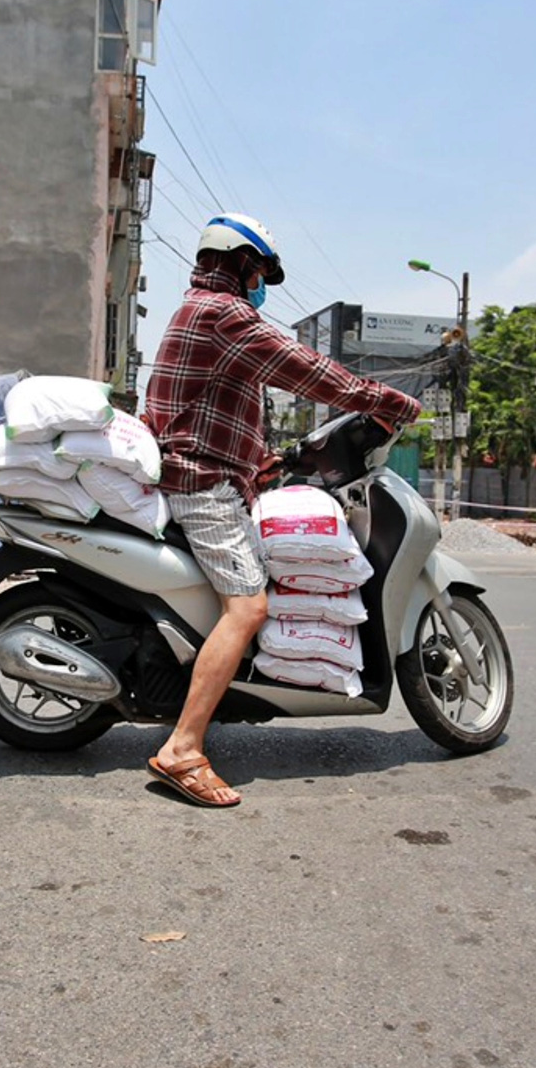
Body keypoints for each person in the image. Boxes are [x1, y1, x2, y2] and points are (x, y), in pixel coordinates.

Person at [141, 213, 421, 808]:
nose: (263, 282)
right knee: (248, 607)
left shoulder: (201, 311)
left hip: (214, 472)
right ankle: (182, 749)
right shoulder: (225, 315)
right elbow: (306, 370)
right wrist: (385, 400)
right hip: (203, 484)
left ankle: (213, 697)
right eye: (262, 270)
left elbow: (209, 407)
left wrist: (260, 463)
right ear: (241, 261)